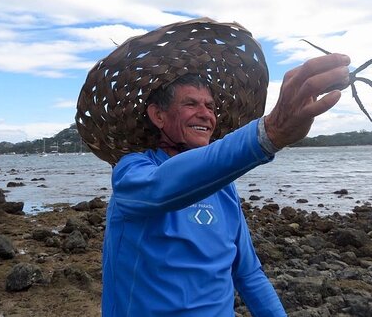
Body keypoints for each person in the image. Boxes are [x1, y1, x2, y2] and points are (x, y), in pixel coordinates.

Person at [76, 18, 350, 316]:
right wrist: (268, 134)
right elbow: (161, 187)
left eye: (210, 106)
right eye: (191, 104)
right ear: (158, 115)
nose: (205, 114)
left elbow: (248, 274)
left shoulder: (223, 186)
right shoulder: (133, 173)